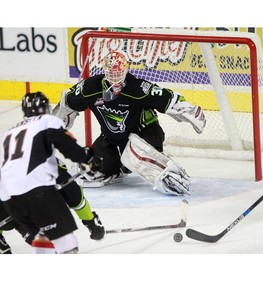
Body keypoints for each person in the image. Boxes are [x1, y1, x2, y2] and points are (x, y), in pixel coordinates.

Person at [54, 50, 206, 195]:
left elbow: (168, 98)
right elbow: (67, 102)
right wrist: (53, 128)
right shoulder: (90, 88)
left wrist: (189, 111)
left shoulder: (138, 88)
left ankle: (166, 172)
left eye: (118, 72)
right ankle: (119, 168)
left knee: (134, 154)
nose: (115, 77)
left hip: (145, 133)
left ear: (126, 70)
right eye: (111, 73)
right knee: (90, 173)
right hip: (112, 139)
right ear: (104, 70)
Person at [0, 92, 102, 254]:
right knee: (66, 244)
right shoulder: (47, 121)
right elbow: (67, 146)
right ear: (46, 108)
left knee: (45, 245)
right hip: (38, 195)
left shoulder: (9, 134)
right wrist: (88, 158)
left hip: (9, 202)